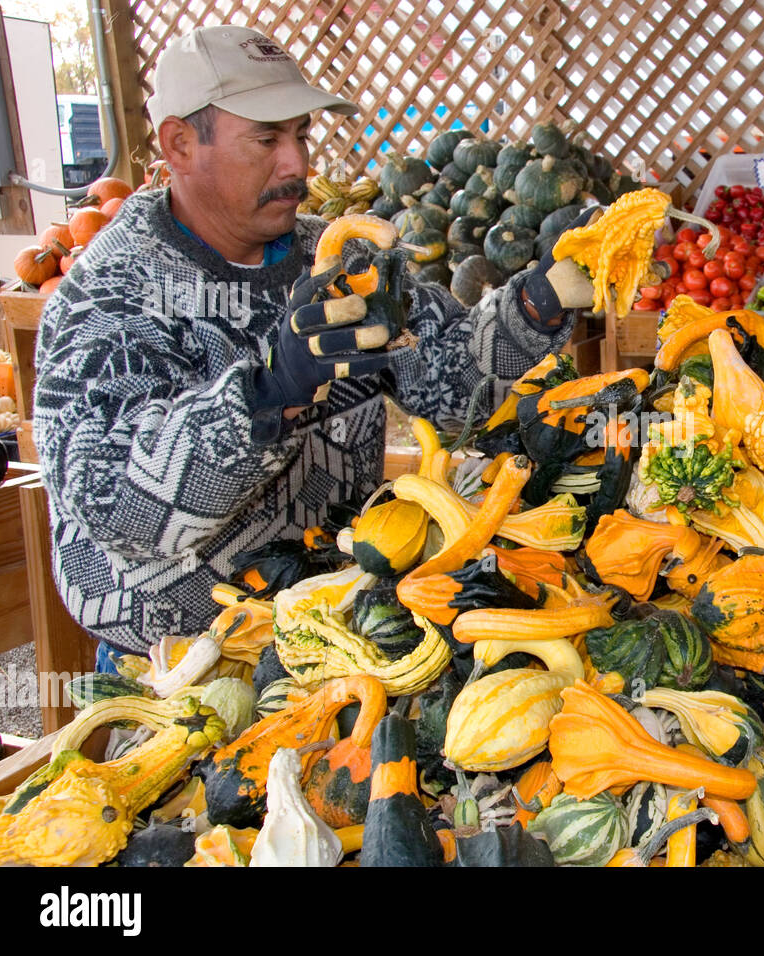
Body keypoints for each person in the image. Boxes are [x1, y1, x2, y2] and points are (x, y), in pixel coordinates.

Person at [33, 25, 595, 668]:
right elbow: (113, 508)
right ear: (180, 144)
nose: (297, 163)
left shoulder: (333, 256)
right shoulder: (109, 293)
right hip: (187, 661)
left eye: (300, 134)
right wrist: (271, 393)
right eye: (267, 138)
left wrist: (533, 304)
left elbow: (449, 390)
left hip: (339, 626)